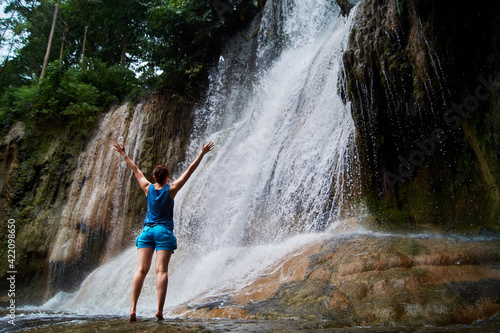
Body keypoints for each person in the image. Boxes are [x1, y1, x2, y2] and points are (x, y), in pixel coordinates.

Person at [113, 140, 215, 322]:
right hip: (163, 232)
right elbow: (190, 170)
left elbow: (135, 169)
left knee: (140, 270)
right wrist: (202, 154)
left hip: (147, 232)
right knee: (161, 272)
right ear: (167, 177)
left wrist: (123, 154)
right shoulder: (172, 189)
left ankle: (132, 308)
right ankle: (159, 311)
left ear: (154, 177)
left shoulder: (147, 188)